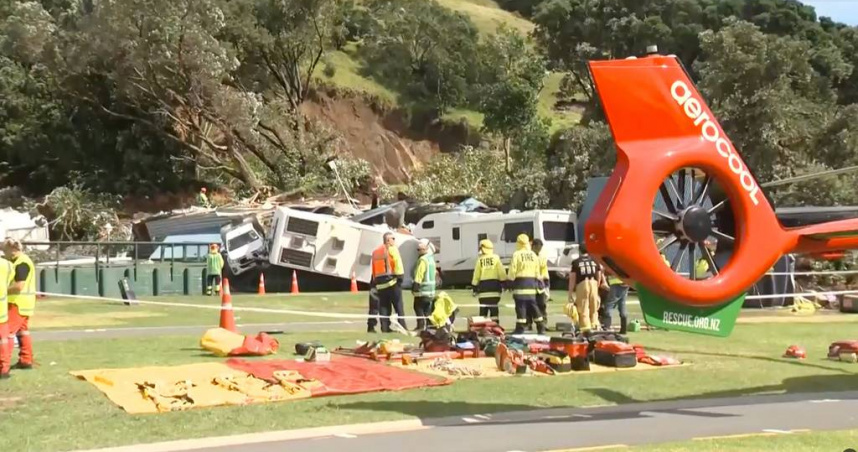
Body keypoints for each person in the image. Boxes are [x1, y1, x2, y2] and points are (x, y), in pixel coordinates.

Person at [4, 239, 36, 369]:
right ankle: (26, 360)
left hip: (17, 303)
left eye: (4, 249)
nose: (3, 252)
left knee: (7, 334)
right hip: (24, 303)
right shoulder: (18, 261)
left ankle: (3, 365)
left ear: (12, 249)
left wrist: (2, 290)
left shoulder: (22, 263)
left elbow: (19, 286)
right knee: (23, 332)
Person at [508, 234, 544, 335]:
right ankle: (541, 327)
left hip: (520, 284)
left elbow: (512, 270)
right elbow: (537, 271)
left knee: (520, 307)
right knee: (533, 306)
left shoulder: (517, 254)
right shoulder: (533, 255)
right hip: (532, 284)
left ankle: (520, 329)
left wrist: (510, 281)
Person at [371, 232, 406, 332]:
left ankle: (385, 328)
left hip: (380, 284)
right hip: (392, 282)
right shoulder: (392, 249)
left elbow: (373, 269)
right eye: (393, 239)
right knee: (399, 306)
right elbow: (397, 263)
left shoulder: (376, 252)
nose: (394, 241)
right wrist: (400, 277)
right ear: (388, 240)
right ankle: (402, 327)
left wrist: (375, 281)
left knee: (384, 307)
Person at [568, 243, 606, 334]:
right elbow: (599, 274)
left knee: (583, 308)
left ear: (579, 251)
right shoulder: (595, 260)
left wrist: (570, 292)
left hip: (582, 284)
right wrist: (597, 286)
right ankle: (595, 327)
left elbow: (572, 278)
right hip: (594, 283)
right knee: (594, 308)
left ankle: (586, 330)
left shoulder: (576, 262)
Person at [470, 239, 506, 324]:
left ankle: (482, 330)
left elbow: (476, 275)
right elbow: (501, 272)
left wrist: (474, 287)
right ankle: (495, 328)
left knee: (483, 313)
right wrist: (504, 282)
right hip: (495, 290)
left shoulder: (480, 260)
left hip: (483, 291)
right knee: (494, 312)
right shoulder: (496, 258)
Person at [525, 239, 550, 331]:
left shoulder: (542, 257)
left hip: (540, 285)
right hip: (530, 284)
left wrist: (546, 283)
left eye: (540, 248)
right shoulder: (528, 256)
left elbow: (544, 270)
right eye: (537, 247)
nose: (539, 250)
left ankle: (544, 323)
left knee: (542, 305)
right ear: (533, 246)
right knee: (529, 305)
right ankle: (528, 324)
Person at [411, 239, 436, 331]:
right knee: (428, 311)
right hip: (431, 291)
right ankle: (428, 327)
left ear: (426, 249)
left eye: (420, 250)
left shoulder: (423, 260)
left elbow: (419, 274)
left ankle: (421, 327)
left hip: (423, 290)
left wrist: (415, 285)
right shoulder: (431, 259)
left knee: (418, 308)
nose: (418, 252)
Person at [600, 267, 629, 334]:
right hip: (625, 284)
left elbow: (604, 270)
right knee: (622, 305)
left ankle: (606, 328)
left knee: (609, 305)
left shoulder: (613, 261)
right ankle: (624, 330)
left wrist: (604, 280)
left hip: (615, 284)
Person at [0, 253, 13, 379]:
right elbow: (9, 281)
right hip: (2, 306)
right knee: (3, 339)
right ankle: (4, 368)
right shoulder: (7, 264)